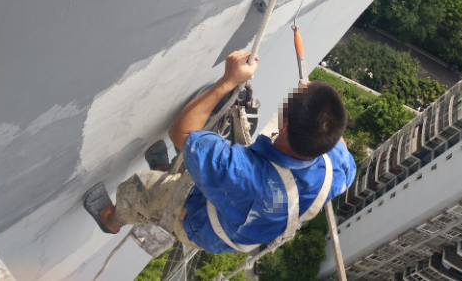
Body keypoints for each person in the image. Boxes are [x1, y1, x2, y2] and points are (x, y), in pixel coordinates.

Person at [89, 50, 356, 253]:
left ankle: (111, 220)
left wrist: (229, 80)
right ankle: (168, 170)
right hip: (244, 220)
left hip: (203, 224)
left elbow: (180, 133)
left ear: (284, 126)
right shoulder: (338, 168)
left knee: (141, 187)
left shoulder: (240, 174)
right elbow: (331, 130)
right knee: (194, 167)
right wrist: (313, 105)